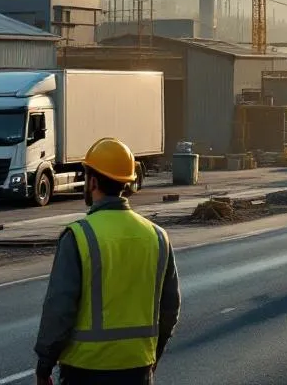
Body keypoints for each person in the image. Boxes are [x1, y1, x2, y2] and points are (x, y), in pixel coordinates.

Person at [35, 138, 181, 385]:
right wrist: (154, 356)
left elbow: (59, 310)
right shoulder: (157, 236)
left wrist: (44, 365)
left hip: (85, 371)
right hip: (138, 369)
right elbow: (170, 308)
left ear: (92, 181)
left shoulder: (79, 236)